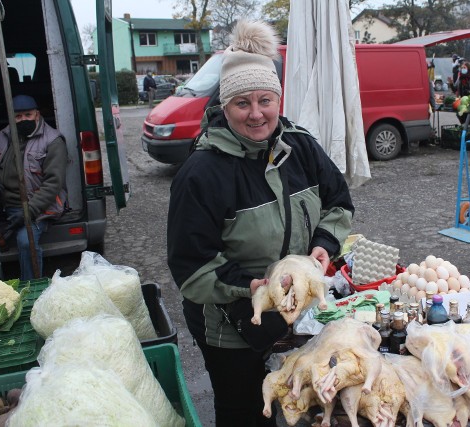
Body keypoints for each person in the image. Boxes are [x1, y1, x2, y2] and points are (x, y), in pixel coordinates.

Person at [166, 20, 354, 426]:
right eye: (243, 103)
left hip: (295, 315)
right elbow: (190, 267)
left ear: (278, 100)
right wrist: (249, 287)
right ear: (224, 106)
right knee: (244, 412)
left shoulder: (301, 148)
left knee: (292, 399)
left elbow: (338, 204)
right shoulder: (201, 173)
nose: (256, 114)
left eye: (266, 100)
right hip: (229, 327)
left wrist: (324, 243)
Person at [0, 95, 67, 280]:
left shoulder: (53, 141)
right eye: (18, 116)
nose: (23, 119)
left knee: (26, 243)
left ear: (37, 114)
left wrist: (28, 211)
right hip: (1, 201)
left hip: (35, 207)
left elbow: (53, 184)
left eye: (28, 114)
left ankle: (30, 290)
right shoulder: (4, 135)